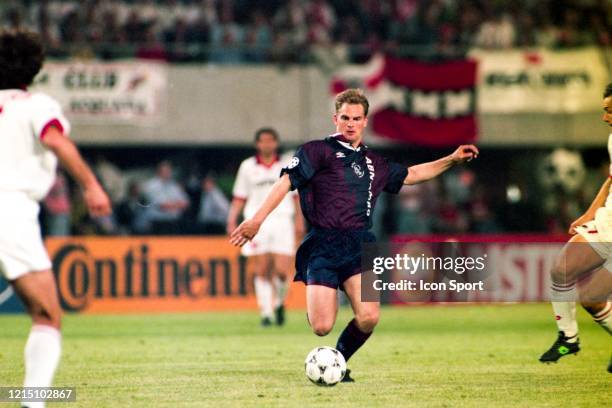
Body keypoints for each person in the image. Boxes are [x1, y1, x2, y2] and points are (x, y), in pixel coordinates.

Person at [230, 89, 478, 380]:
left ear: (365, 121)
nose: (350, 123)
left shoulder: (375, 162)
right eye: (345, 117)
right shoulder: (315, 151)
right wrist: (256, 220)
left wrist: (451, 159)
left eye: (356, 118)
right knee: (321, 326)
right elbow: (286, 182)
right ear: (335, 119)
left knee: (370, 316)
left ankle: (338, 361)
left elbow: (411, 175)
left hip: (363, 245)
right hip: (323, 243)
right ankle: (324, 313)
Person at [0, 29, 112, 407]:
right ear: (35, 68)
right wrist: (91, 185)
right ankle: (33, 402)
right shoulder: (35, 105)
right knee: (47, 314)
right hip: (10, 209)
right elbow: (55, 140)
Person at [539, 83, 612, 372]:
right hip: (608, 221)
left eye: (610, 111)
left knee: (592, 299)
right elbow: (610, 180)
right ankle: (568, 337)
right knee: (561, 270)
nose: (605, 117)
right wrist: (589, 213)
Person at [227, 128, 305, 326]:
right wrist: (232, 220)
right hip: (256, 220)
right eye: (263, 141)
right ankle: (266, 313)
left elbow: (296, 196)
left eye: (271, 140)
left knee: (281, 270)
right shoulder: (247, 167)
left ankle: (279, 303)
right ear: (257, 144)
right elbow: (239, 197)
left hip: (282, 219)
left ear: (276, 143)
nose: (267, 144)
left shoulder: (287, 164)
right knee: (260, 269)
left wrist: (299, 220)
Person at [141, 160, 190, 235]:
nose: (168, 173)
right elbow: (162, 205)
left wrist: (173, 205)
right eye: (166, 171)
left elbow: (186, 203)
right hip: (157, 223)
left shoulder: (174, 186)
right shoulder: (151, 186)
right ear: (159, 171)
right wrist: (177, 205)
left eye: (169, 170)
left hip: (173, 223)